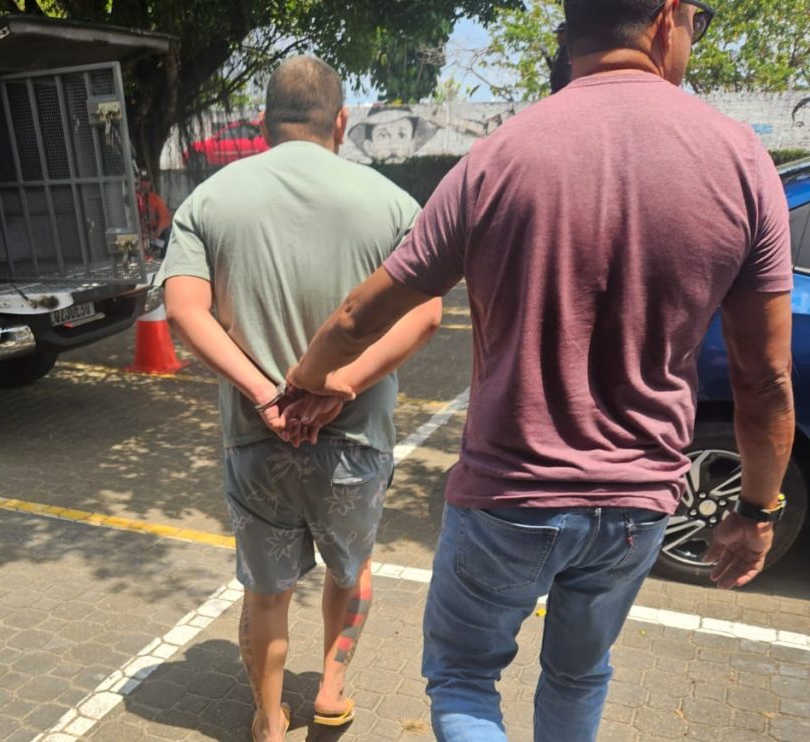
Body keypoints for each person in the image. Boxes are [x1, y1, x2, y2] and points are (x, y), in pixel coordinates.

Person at [288, 2, 793, 741]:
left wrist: (308, 381)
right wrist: (756, 512)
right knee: (580, 675)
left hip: (509, 494)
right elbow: (765, 381)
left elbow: (360, 316)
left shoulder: (498, 158)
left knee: (464, 680)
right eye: (699, 18)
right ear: (666, 18)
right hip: (637, 504)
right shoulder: (742, 161)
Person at [158, 56, 442, 741]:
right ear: (341, 122)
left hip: (257, 438)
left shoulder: (209, 202)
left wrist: (263, 391)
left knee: (266, 589)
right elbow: (427, 313)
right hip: (357, 441)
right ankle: (332, 690)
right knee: (351, 570)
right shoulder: (393, 204)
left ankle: (268, 717)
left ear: (263, 123)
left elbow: (183, 309)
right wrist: (346, 383)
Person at [136, 169, 171, 256]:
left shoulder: (155, 199)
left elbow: (165, 217)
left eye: (147, 181)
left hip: (152, 233)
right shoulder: (132, 199)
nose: (145, 184)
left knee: (168, 232)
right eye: (142, 181)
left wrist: (158, 231)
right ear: (138, 182)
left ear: (150, 182)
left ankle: (160, 254)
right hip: (139, 233)